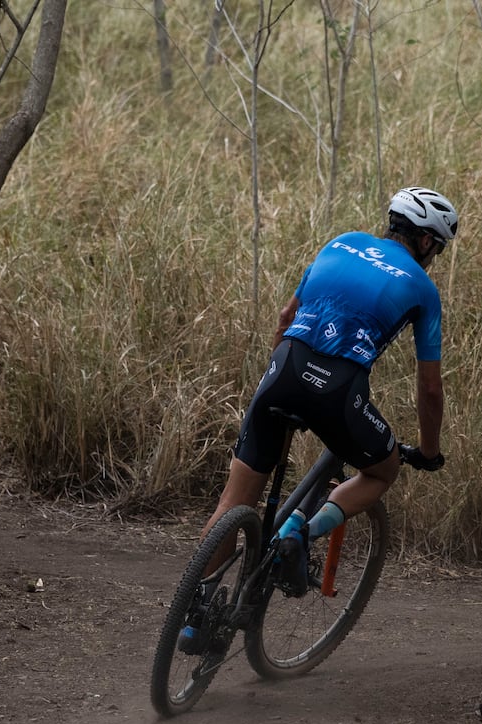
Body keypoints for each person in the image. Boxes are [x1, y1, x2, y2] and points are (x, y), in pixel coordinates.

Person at [194, 186, 458, 610]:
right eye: (437, 249)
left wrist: (277, 384)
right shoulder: (423, 289)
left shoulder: (343, 241)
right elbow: (429, 388)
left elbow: (286, 318)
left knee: (234, 501)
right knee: (381, 472)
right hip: (338, 390)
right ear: (427, 241)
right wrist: (428, 451)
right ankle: (299, 532)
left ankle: (195, 613)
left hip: (284, 368)